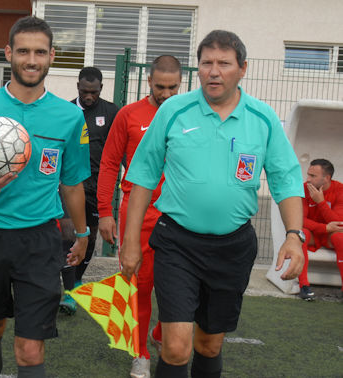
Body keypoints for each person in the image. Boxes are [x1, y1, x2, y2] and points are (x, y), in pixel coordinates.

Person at [120, 30, 305, 378]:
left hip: (232, 248)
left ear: (243, 68)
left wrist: (294, 236)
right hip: (177, 243)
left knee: (209, 345)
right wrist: (131, 240)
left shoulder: (262, 119)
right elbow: (143, 175)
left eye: (224, 63)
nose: (214, 71)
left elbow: (286, 180)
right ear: (199, 68)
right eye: (207, 63)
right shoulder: (175, 110)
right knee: (176, 347)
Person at [0, 16, 90, 378]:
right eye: (23, 51)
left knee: (30, 345)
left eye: (40, 51)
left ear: (52, 56)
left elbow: (71, 185)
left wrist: (83, 235)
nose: (31, 59)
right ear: (9, 53)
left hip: (39, 240)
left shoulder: (70, 117)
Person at [97, 55, 182, 378]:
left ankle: (159, 335)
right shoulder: (129, 115)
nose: (166, 93)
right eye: (160, 86)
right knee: (138, 286)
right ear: (149, 81)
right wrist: (105, 212)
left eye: (173, 87)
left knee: (181, 285)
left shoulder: (188, 114)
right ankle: (141, 353)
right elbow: (108, 163)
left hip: (180, 214)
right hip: (138, 214)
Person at [58, 66, 119, 315]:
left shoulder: (112, 112)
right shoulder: (65, 111)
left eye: (93, 92)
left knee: (90, 237)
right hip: (71, 184)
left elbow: (118, 150)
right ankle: (70, 290)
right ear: (78, 88)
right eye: (84, 91)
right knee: (68, 233)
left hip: (99, 186)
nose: (89, 96)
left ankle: (77, 280)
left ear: (101, 89)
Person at [299, 158, 343, 300]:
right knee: (301, 234)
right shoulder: (304, 188)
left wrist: (320, 202)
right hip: (314, 233)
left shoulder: (339, 190)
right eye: (308, 174)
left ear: (327, 178)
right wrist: (324, 227)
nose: (308, 179)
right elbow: (301, 220)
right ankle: (304, 286)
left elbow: (339, 223)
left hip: (331, 235)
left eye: (313, 176)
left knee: (340, 237)